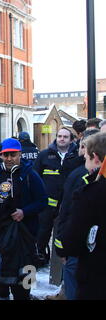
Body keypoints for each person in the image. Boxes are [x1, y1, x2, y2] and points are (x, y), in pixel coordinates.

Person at [0, 138, 47, 300]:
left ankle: (25, 296)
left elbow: (42, 201)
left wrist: (24, 211)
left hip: (24, 236)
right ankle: (2, 295)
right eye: (6, 155)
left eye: (13, 154)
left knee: (25, 279)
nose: (9, 158)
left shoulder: (30, 174)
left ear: (20, 154)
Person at [53, 128, 100, 300]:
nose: (81, 155)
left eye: (84, 152)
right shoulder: (79, 174)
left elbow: (70, 215)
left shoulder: (88, 183)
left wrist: (64, 248)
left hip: (86, 253)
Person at [33, 127, 83, 267]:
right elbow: (35, 177)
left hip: (69, 203)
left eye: (65, 137)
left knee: (66, 231)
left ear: (71, 139)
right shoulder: (44, 155)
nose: (61, 139)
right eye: (59, 136)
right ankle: (40, 255)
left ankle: (64, 257)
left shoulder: (77, 156)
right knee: (42, 231)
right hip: (47, 204)